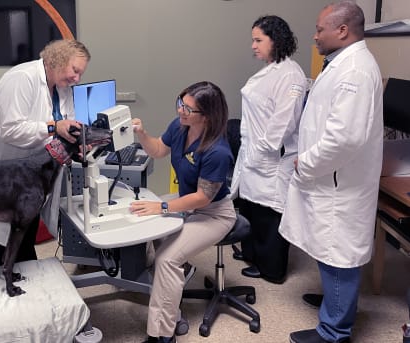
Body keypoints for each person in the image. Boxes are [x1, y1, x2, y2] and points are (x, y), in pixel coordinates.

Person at [279, 2, 383, 343]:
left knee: (339, 253)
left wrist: (305, 163)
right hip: (332, 178)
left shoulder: (354, 71)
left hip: (339, 183)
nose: (314, 35)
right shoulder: (343, 64)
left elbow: (344, 138)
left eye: (320, 29)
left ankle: (334, 331)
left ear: (342, 30)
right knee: (329, 247)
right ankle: (336, 305)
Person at [0, 39, 91, 268]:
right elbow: (11, 130)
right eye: (75, 70)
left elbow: (63, 127)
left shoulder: (62, 89)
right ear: (56, 60)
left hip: (31, 177)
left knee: (24, 233)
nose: (77, 78)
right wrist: (53, 126)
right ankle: (2, 292)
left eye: (81, 73)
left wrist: (77, 143)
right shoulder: (21, 78)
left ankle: (26, 285)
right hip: (1, 173)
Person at [130, 81, 237, 343]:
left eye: (189, 109)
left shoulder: (217, 151)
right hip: (187, 200)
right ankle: (173, 299)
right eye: (181, 103)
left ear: (208, 116)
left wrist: (163, 206)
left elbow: (203, 198)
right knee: (145, 218)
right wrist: (142, 134)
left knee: (166, 259)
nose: (181, 111)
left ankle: (162, 335)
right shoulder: (180, 127)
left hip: (214, 213)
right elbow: (157, 149)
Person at [229, 15, 306, 284]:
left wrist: (262, 149)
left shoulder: (291, 75)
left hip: (272, 157)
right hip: (255, 152)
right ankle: (252, 255)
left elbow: (283, 122)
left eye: (259, 40)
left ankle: (271, 269)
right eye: (253, 40)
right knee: (251, 207)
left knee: (269, 214)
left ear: (276, 40)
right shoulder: (271, 69)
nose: (253, 46)